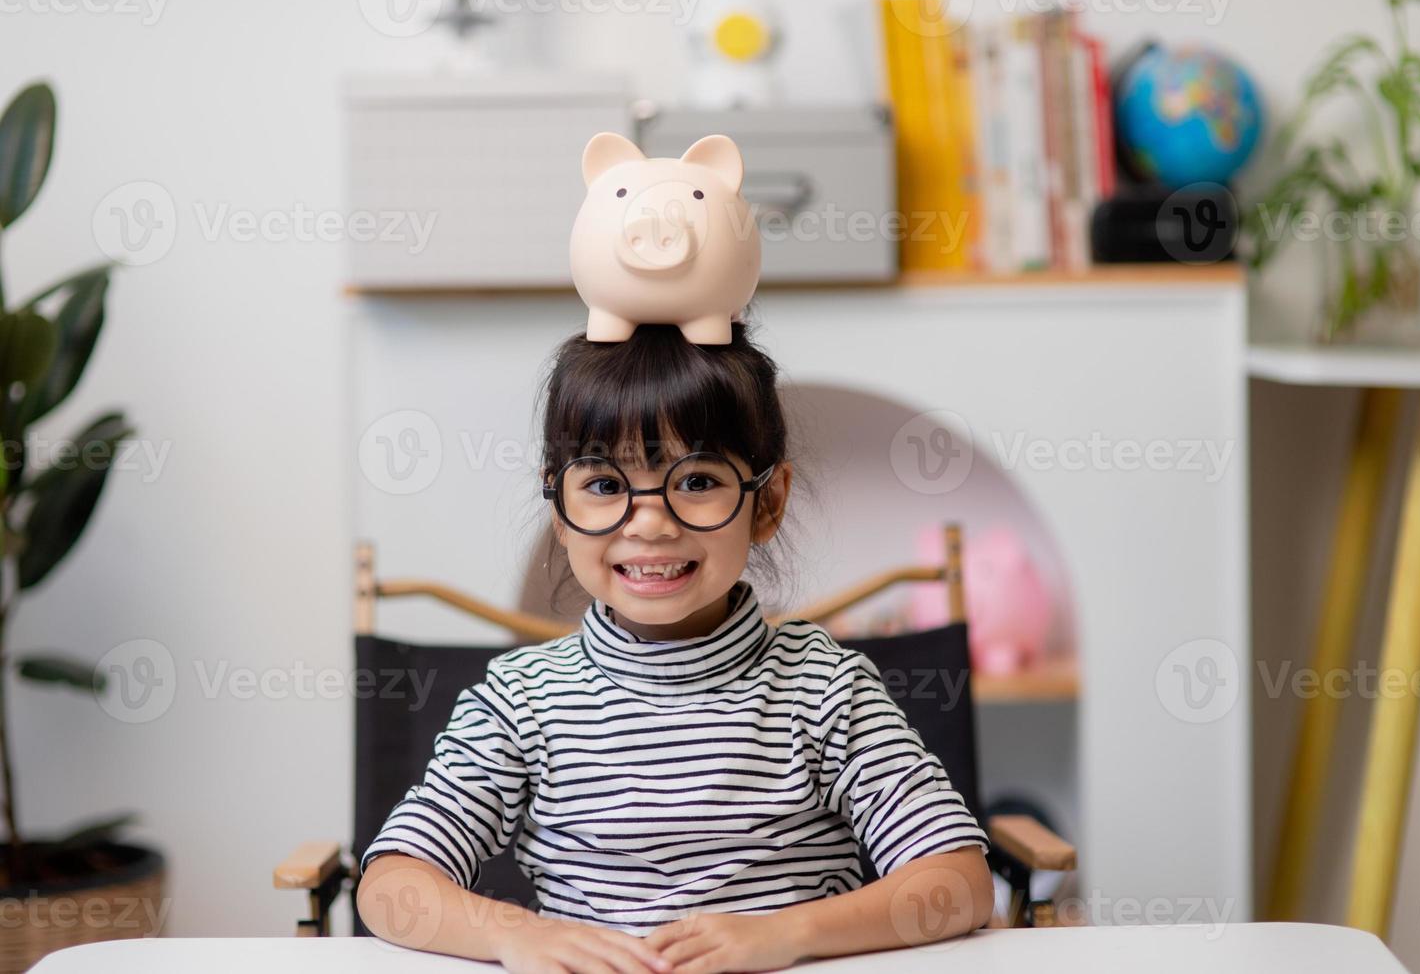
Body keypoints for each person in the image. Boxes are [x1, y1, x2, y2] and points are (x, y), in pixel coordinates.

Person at [356, 320, 993, 973]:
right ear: (560, 508)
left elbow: (960, 885)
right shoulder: (518, 701)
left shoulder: (827, 687)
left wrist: (785, 934)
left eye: (696, 481)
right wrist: (515, 935)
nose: (651, 523)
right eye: (605, 485)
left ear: (767, 501)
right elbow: (388, 887)